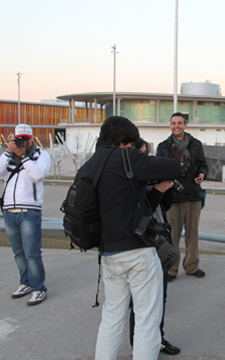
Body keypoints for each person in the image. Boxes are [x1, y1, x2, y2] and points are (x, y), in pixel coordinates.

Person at [91, 117, 181, 360]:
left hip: (108, 252)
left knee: (111, 319)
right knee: (146, 321)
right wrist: (141, 159)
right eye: (131, 144)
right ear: (123, 143)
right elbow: (173, 168)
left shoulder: (92, 163)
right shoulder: (124, 157)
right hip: (137, 252)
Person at [127, 138, 180, 356]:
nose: (144, 158)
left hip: (158, 240)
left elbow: (163, 205)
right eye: (140, 153)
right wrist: (157, 189)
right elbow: (141, 207)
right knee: (139, 301)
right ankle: (139, 344)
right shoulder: (128, 179)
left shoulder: (149, 174)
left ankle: (158, 338)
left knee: (160, 295)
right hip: (139, 244)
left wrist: (165, 188)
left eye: (146, 154)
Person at [0, 124, 51, 306]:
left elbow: (38, 175)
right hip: (10, 210)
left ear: (32, 139)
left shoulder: (41, 155)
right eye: (18, 139)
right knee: (18, 252)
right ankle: (25, 283)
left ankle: (38, 288)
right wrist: (9, 153)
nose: (22, 142)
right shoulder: (7, 156)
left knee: (32, 252)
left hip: (29, 210)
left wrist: (23, 156)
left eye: (25, 139)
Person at [156, 112, 208, 280]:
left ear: (186, 125)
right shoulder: (163, 147)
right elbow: (158, 169)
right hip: (173, 197)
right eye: (173, 123)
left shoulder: (196, 145)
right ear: (170, 125)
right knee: (172, 235)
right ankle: (171, 268)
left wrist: (202, 174)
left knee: (193, 233)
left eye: (179, 122)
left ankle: (192, 266)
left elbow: (203, 165)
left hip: (193, 195)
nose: (176, 125)